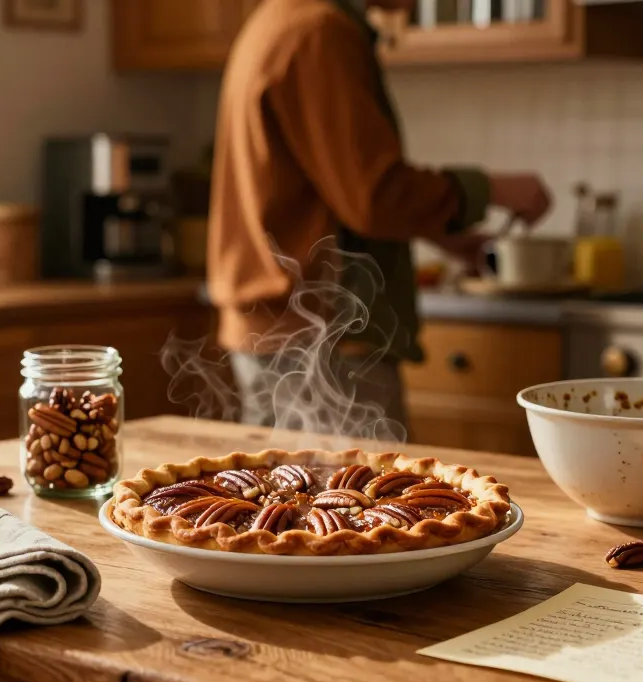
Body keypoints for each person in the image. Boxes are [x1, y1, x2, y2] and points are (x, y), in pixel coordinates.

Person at [207, 0, 552, 435]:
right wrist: (492, 189)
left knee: (288, 478)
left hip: (285, 327)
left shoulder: (280, 17)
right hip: (323, 335)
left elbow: (330, 184)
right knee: (361, 480)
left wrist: (442, 233)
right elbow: (373, 197)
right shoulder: (320, 32)